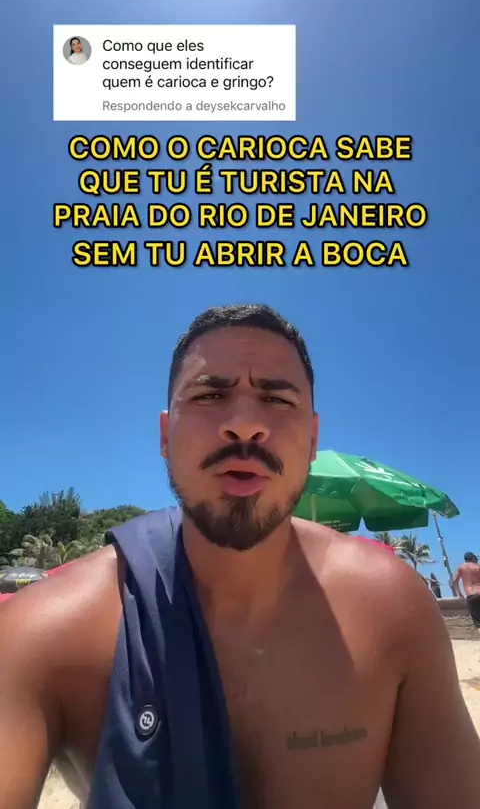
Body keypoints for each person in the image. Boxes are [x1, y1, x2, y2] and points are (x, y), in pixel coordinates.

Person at [0, 303, 479, 809]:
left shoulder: (391, 611)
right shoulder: (49, 632)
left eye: (277, 398)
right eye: (210, 395)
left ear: (313, 439)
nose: (246, 425)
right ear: (165, 436)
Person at [452, 552, 480, 635]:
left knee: (478, 624)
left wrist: (459, 594)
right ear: (472, 558)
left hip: (472, 596)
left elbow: (454, 581)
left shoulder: (461, 567)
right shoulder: (478, 567)